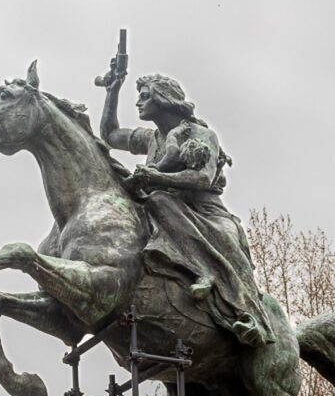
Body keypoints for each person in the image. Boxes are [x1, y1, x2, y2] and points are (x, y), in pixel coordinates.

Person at [99, 69, 275, 347]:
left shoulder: (202, 134)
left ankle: (252, 317)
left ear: (163, 99)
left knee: (216, 236)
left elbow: (202, 179)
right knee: (153, 204)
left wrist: (154, 178)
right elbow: (109, 135)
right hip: (163, 210)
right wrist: (112, 90)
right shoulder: (152, 138)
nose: (139, 102)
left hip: (206, 213)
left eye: (145, 96)